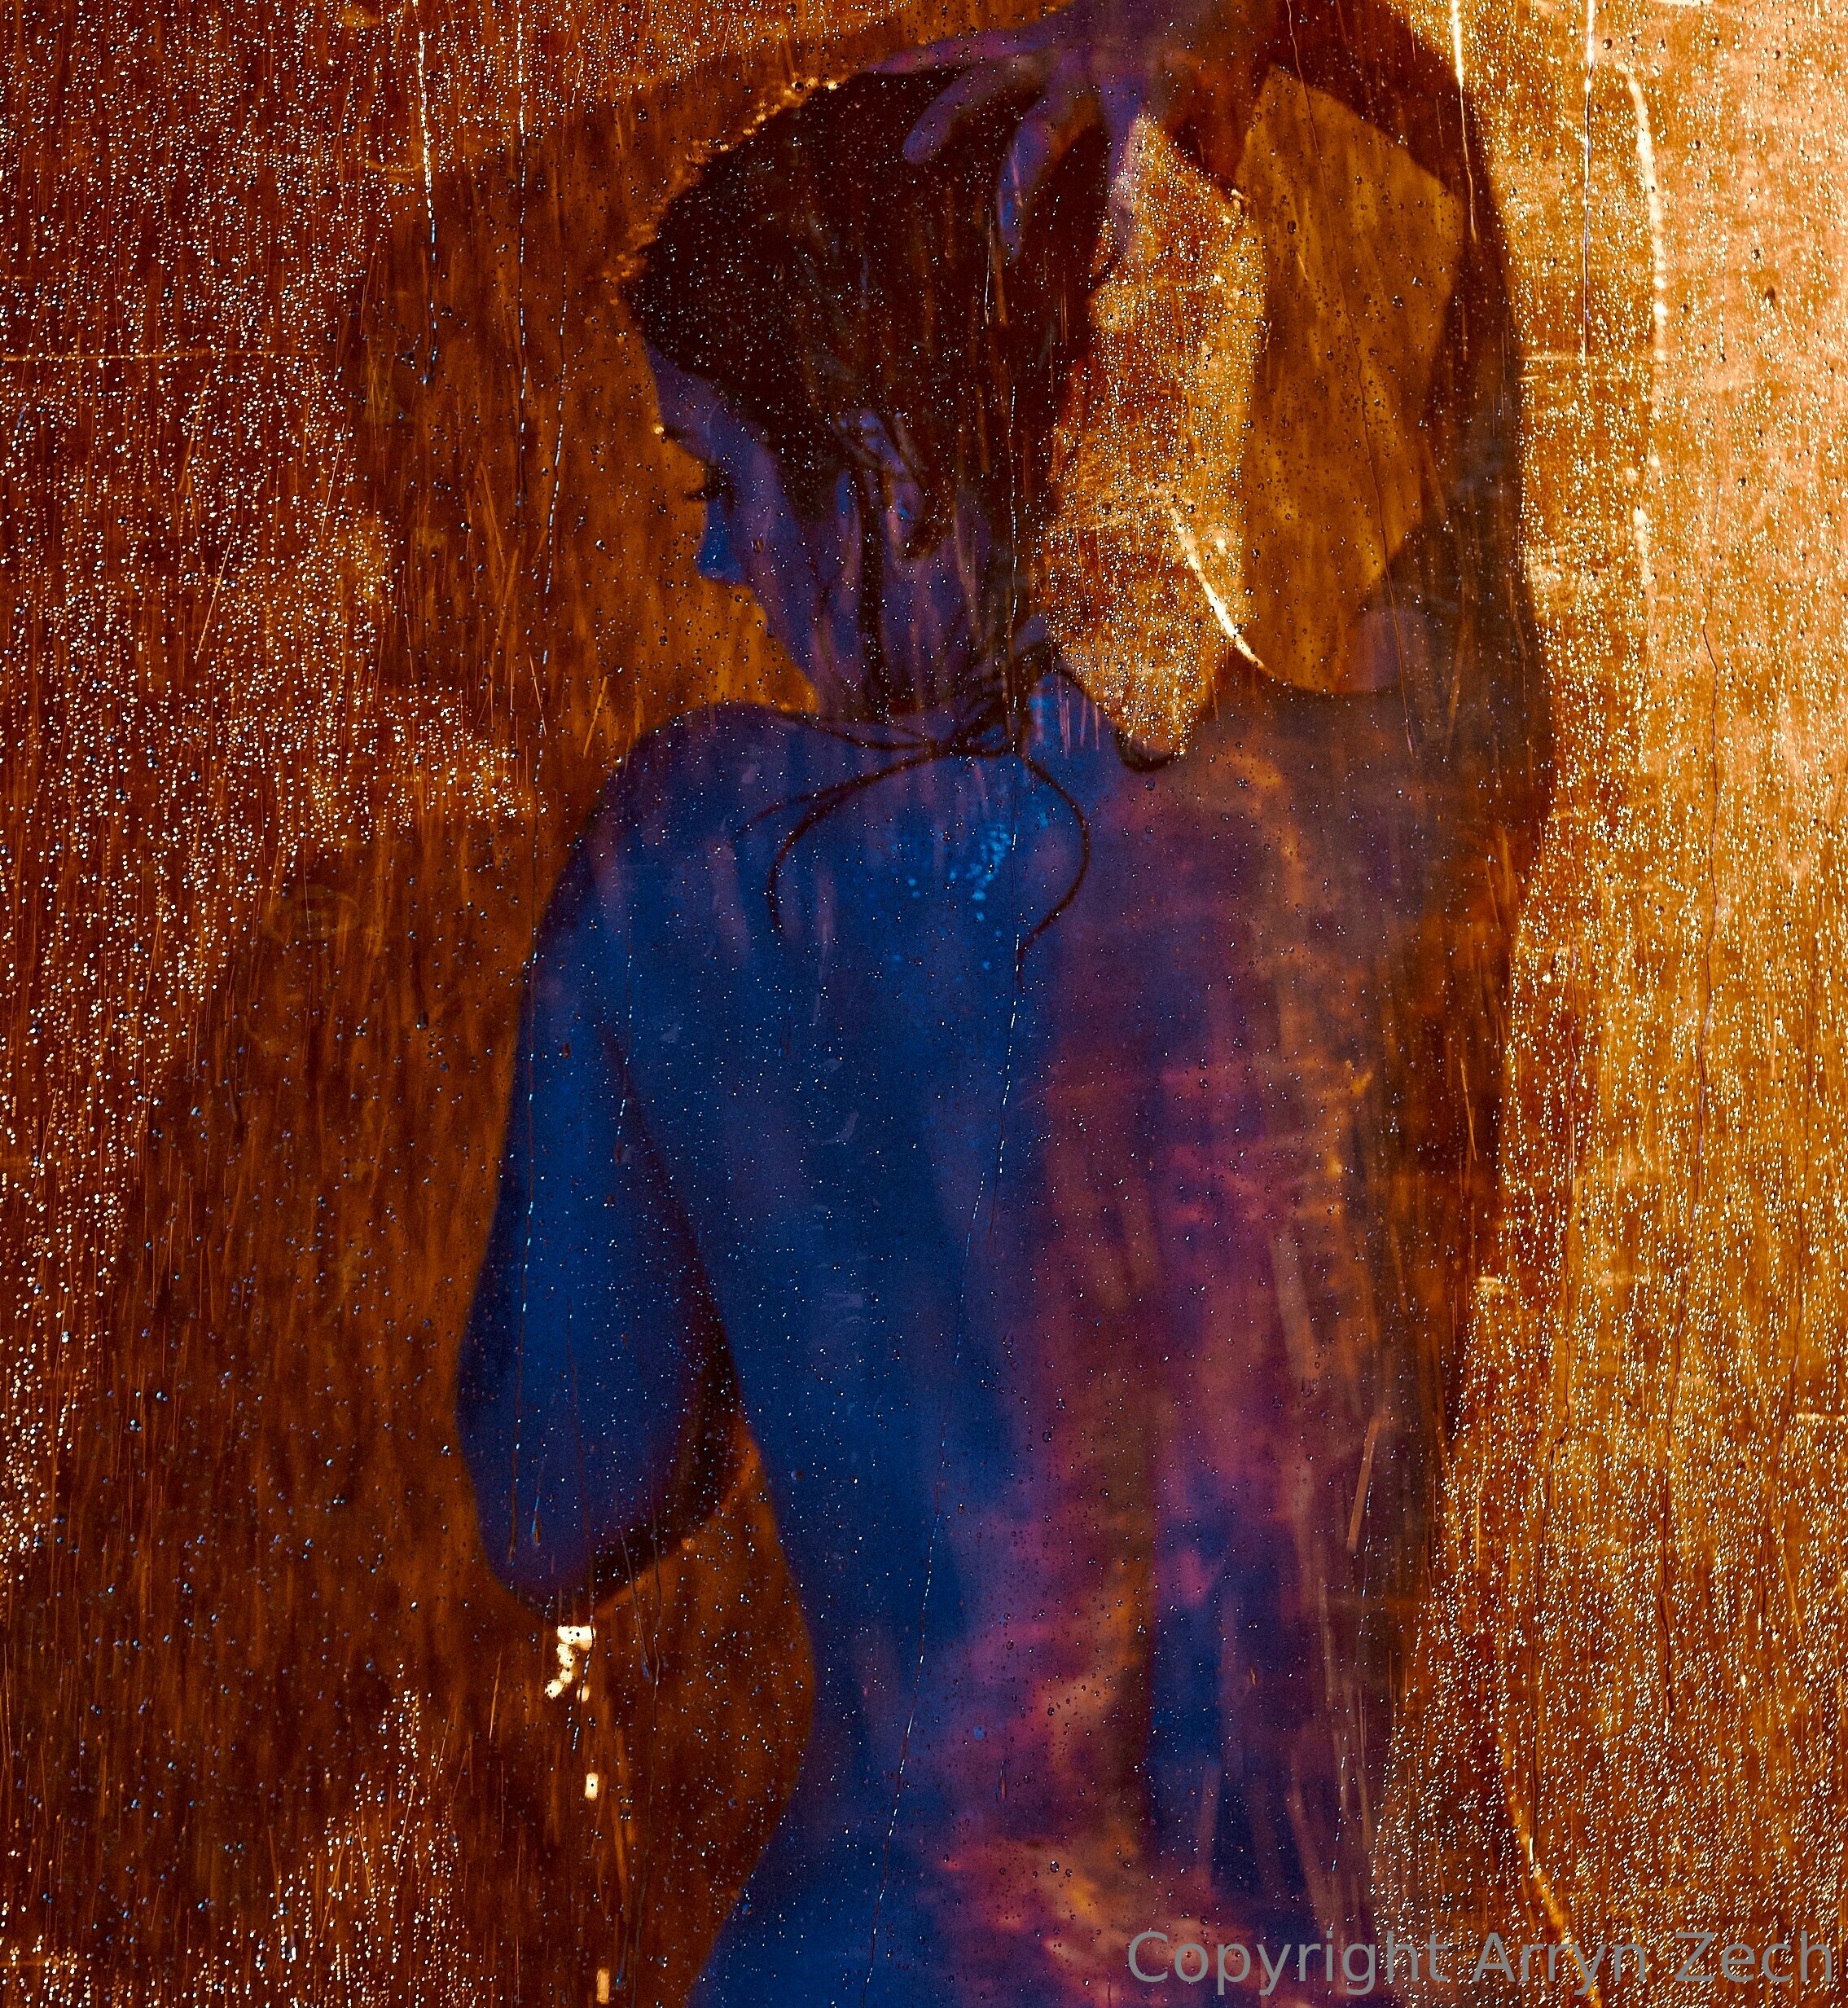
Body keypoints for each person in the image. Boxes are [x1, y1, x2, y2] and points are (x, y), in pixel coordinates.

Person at [454, 39, 1543, 2008]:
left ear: (883, 466)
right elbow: (1529, 395)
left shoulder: (706, 856)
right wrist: (1268, 34)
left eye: (724, 481)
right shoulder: (1394, 814)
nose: (720, 558)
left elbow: (562, 1507)